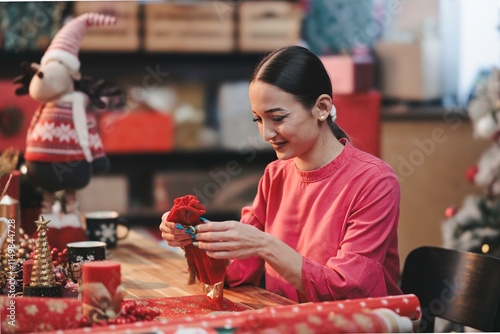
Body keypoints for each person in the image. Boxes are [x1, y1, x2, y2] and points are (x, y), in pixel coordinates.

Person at [160, 45, 402, 303]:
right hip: (291, 319)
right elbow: (236, 272)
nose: (266, 134)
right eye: (259, 120)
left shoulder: (375, 181)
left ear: (321, 107)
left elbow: (347, 290)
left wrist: (265, 245)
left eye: (277, 118)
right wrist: (193, 238)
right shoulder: (275, 175)